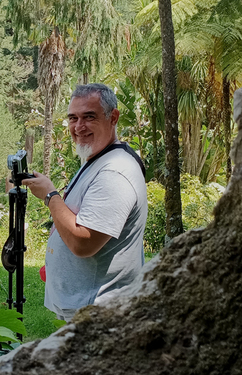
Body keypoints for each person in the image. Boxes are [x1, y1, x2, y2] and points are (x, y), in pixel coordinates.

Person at [21, 83, 148, 321]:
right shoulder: (97, 158)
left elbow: (84, 243)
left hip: (102, 315)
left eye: (89, 117)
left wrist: (50, 196)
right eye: (73, 118)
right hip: (87, 311)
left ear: (113, 117)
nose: (79, 127)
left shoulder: (115, 171)